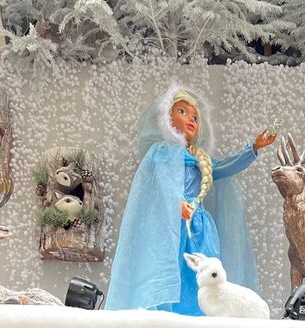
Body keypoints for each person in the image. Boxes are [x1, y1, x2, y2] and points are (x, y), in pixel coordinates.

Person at [106, 85, 275, 315]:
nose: (191, 119)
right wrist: (177, 202)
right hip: (170, 225)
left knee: (199, 275)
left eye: (195, 116)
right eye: (183, 112)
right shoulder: (160, 152)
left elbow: (225, 166)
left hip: (198, 228)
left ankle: (200, 315)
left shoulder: (200, 159)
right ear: (168, 118)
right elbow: (161, 184)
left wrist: (253, 148)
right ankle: (168, 316)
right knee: (171, 267)